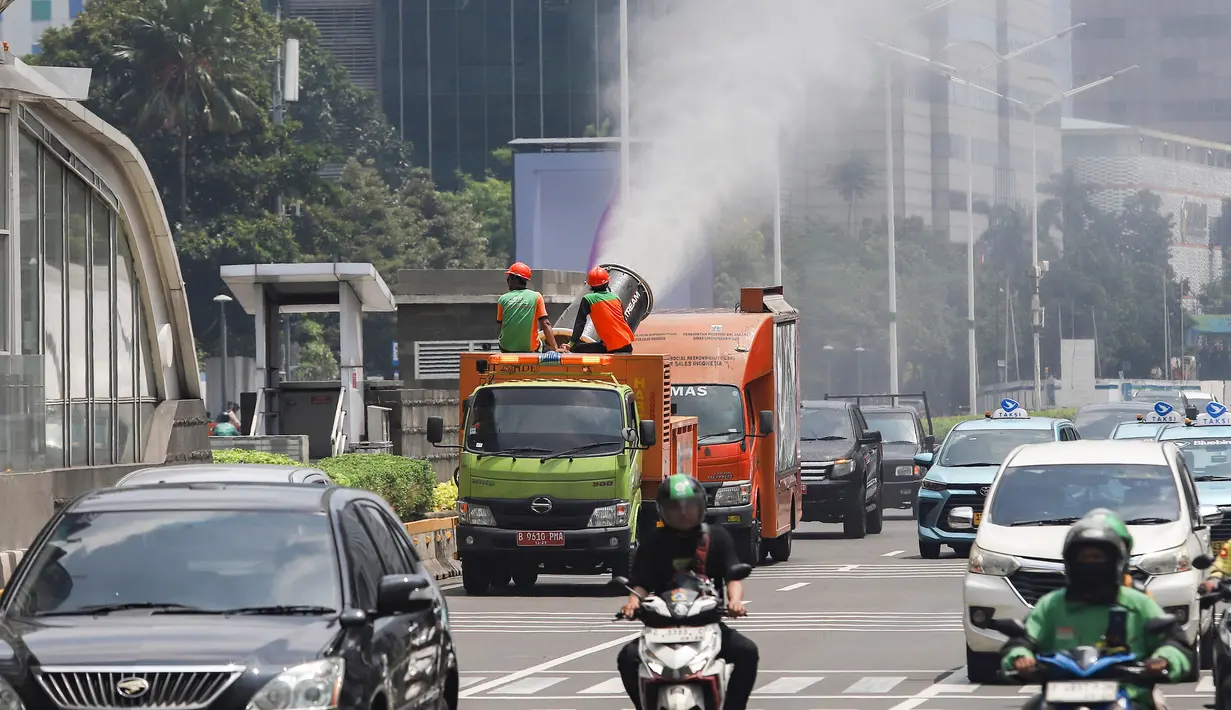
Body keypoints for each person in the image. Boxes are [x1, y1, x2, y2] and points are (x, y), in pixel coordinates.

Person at [1002, 509, 1191, 709]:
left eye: (1098, 557)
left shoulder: (1139, 604)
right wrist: (1021, 657)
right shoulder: (1051, 605)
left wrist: (1163, 660)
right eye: (1085, 558)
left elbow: (1175, 643)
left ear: (1116, 561)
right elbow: (1023, 640)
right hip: (1058, 700)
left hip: (1131, 696)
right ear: (1070, 562)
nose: (1091, 564)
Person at [616, 474, 757, 710]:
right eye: (675, 508)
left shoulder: (717, 538)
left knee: (747, 652)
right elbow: (640, 583)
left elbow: (733, 576)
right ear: (663, 511)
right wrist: (632, 604)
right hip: (661, 627)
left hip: (706, 624)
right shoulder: (652, 544)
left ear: (701, 506)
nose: (683, 513)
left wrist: (735, 602)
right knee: (627, 658)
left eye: (689, 507)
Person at [563, 266, 634, 354]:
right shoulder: (615, 297)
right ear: (607, 282)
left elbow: (580, 323)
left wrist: (571, 344)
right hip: (627, 344)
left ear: (590, 284)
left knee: (577, 349)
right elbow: (622, 320)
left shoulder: (588, 299)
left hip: (612, 347)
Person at [497, 262, 560, 353]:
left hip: (505, 348)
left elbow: (500, 326)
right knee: (546, 348)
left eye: (509, 277)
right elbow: (545, 323)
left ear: (514, 278)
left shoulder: (502, 299)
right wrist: (556, 348)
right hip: (529, 348)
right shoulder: (536, 297)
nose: (507, 280)